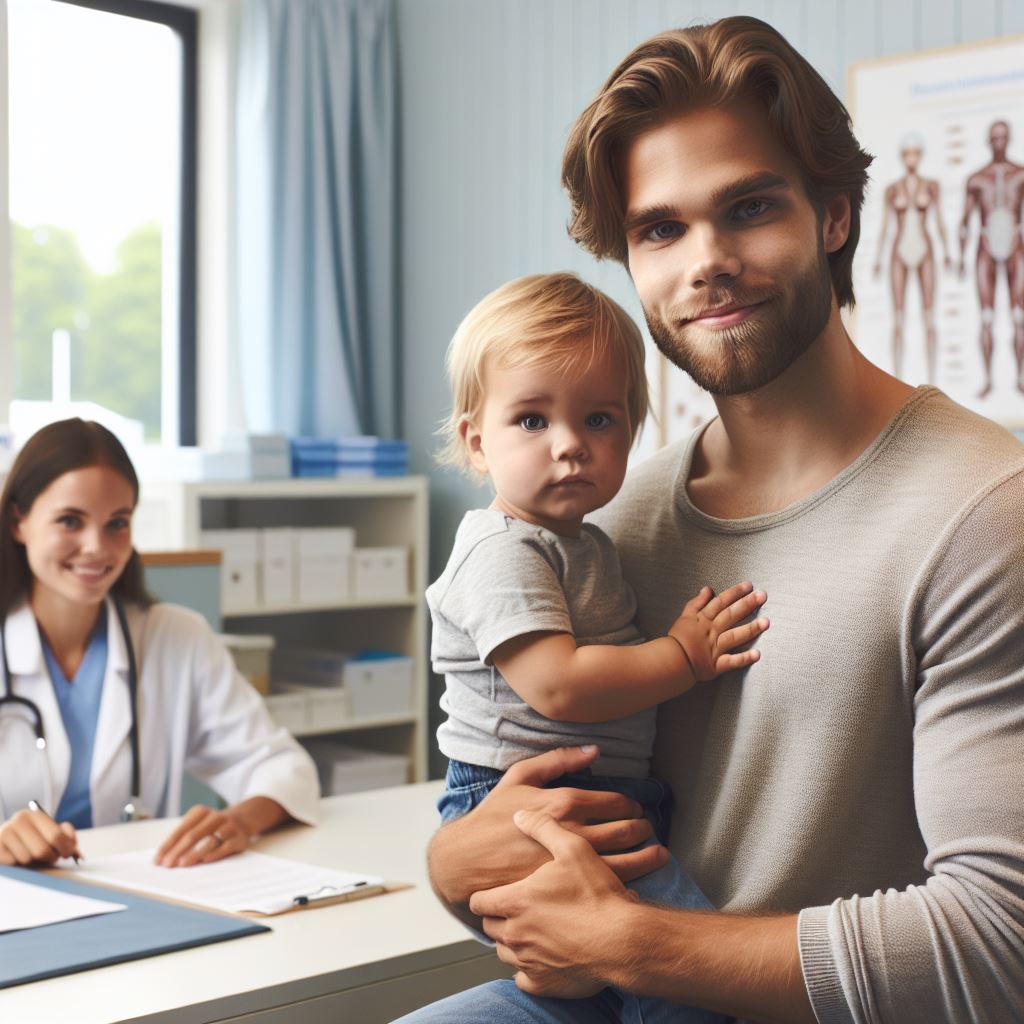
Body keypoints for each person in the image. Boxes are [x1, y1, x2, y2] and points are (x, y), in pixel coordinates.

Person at [398, 15, 1024, 1024]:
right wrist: (451, 860)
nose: (707, 261)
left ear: (833, 215)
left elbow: (1001, 947)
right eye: (660, 228)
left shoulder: (983, 511)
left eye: (748, 207)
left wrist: (633, 942)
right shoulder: (614, 518)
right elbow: (530, 823)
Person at [428, 271, 768, 1022]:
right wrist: (682, 655)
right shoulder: (503, 550)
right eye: (531, 421)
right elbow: (560, 686)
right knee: (687, 969)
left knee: (645, 963)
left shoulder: (582, 543)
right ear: (474, 442)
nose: (571, 446)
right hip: (524, 798)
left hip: (587, 799)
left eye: (601, 420)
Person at [0, 418, 319, 869]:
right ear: (19, 522)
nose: (96, 546)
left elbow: (283, 767)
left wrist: (240, 822)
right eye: (70, 521)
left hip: (144, 895)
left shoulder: (176, 637)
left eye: (117, 523)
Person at [872, 133, 951, 383]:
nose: (911, 159)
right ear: (902, 157)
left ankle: (933, 379)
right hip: (899, 251)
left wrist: (947, 251)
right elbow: (885, 225)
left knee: (929, 317)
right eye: (908, 154)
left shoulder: (931, 186)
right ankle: (898, 378)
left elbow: (939, 220)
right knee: (898, 318)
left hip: (925, 249)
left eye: (915, 153)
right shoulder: (892, 189)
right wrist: (877, 258)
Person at [957, 119, 1024, 397]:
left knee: (1018, 316)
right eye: (994, 138)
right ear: (989, 141)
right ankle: (987, 380)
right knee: (986, 317)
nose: (999, 143)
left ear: (1008, 139)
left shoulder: (1020, 174)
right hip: (985, 244)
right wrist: (960, 257)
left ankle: (1019, 378)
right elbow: (964, 220)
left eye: (1003, 137)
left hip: (1015, 245)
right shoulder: (977, 178)